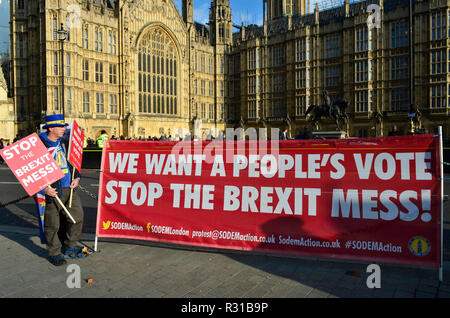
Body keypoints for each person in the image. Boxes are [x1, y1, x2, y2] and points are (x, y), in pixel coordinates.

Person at [38, 114, 86, 266]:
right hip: (53, 190)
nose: (64, 128)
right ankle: (54, 252)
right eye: (60, 126)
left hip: (69, 188)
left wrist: (76, 177)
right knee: (53, 224)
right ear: (51, 128)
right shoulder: (38, 146)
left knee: (77, 217)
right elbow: (28, 172)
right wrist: (44, 189)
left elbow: (72, 162)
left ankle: (69, 246)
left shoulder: (65, 142)